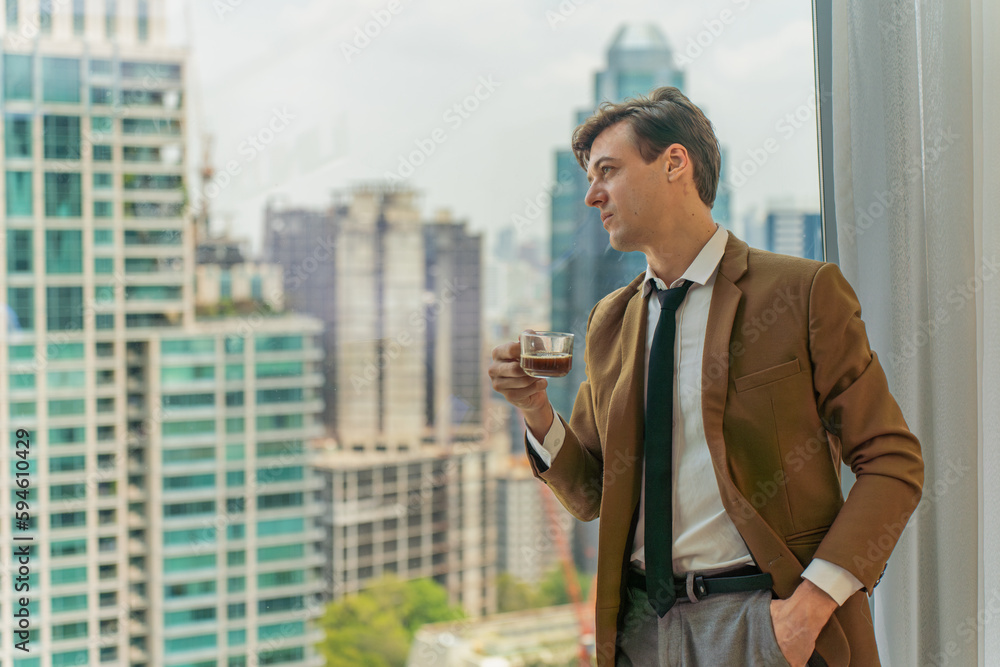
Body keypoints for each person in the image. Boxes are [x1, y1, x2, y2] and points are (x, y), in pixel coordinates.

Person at [488, 87, 923, 667]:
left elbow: (892, 459)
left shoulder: (801, 293)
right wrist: (537, 410)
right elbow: (593, 492)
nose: (593, 195)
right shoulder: (609, 322)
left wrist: (809, 608)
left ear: (674, 163)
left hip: (762, 619)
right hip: (643, 629)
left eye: (607, 171)